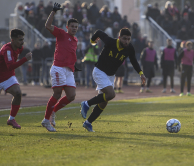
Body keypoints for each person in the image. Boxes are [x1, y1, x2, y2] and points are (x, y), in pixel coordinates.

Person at [80, 28, 146, 132]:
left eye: (128, 39)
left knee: (104, 102)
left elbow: (134, 61)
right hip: (99, 71)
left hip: (110, 76)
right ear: (119, 37)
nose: (126, 41)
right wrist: (93, 41)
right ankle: (86, 104)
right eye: (124, 39)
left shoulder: (129, 48)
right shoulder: (110, 41)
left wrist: (141, 73)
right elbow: (99, 32)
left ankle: (88, 123)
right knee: (111, 94)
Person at [41, 2, 79, 132]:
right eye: (72, 26)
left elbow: (70, 53)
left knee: (71, 96)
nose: (74, 28)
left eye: (76, 27)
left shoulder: (75, 40)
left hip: (69, 70)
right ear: (67, 27)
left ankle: (53, 112)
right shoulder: (62, 33)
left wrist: (74, 64)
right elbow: (47, 26)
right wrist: (53, 12)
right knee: (57, 94)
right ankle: (46, 121)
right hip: (58, 67)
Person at [0, 29, 32, 128]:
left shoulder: (18, 47)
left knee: (18, 93)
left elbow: (21, 50)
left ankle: (11, 119)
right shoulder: (7, 50)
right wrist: (25, 59)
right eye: (20, 40)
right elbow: (10, 66)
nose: (22, 42)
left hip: (8, 76)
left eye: (23, 39)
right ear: (13, 40)